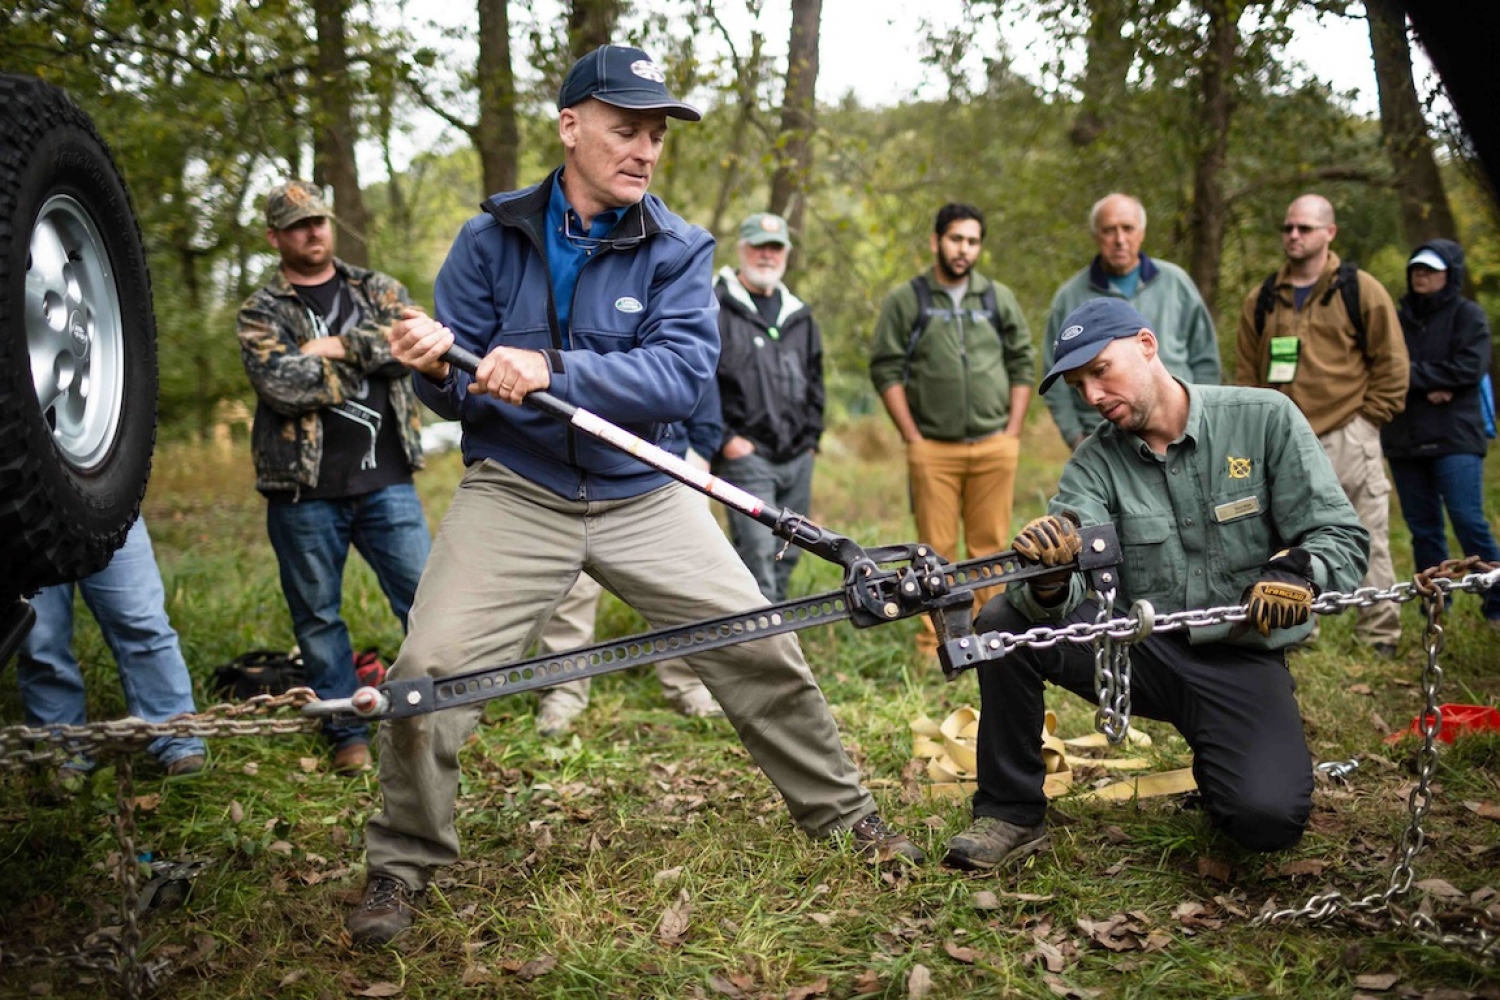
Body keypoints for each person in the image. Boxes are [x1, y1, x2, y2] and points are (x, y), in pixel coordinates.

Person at [347, 43, 921, 948]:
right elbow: (452, 387)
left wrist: (553, 366)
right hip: (518, 490)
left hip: (642, 491)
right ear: (571, 127)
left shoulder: (680, 247)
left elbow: (681, 373)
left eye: (656, 134)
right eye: (627, 129)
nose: (646, 149)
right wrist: (433, 369)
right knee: (426, 676)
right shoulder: (487, 239)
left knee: (760, 646)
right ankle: (401, 866)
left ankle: (851, 822)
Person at [945, 298, 1369, 871]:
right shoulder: (1094, 463)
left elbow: (1340, 535)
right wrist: (1049, 579)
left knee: (1265, 822)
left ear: (1147, 346)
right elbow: (1069, 567)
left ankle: (1223, 765)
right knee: (1004, 623)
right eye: (1078, 384)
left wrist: (1298, 572)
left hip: (1238, 659)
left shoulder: (1264, 418)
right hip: (1132, 650)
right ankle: (1011, 811)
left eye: (1101, 371)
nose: (1092, 395)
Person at [235, 180, 432, 775]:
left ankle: (431, 715)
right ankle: (346, 729)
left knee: (426, 601)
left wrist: (333, 345)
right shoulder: (259, 310)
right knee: (318, 618)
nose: (313, 232)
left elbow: (414, 348)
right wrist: (363, 358)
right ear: (275, 237)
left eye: (319, 221)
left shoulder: (374, 287)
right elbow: (281, 386)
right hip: (303, 493)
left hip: (387, 482)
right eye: (297, 225)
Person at [1234, 193, 1408, 658]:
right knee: (1284, 535)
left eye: (1304, 228)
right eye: (1288, 227)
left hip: (1349, 431)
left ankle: (1379, 633)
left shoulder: (1361, 289)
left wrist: (1368, 421)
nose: (1293, 235)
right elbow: (1247, 376)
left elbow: (1392, 364)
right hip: (1283, 440)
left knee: (1366, 530)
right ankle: (1297, 628)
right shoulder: (1263, 297)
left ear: (1329, 233)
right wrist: (1256, 431)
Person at [869, 203, 1035, 658]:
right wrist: (913, 437)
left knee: (989, 547)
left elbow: (1023, 361)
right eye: (956, 239)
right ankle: (935, 645)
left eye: (973, 241)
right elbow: (886, 369)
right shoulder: (909, 300)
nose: (964, 250)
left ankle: (989, 637)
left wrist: (1013, 432)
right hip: (933, 450)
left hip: (994, 446)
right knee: (933, 552)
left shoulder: (997, 298)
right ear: (936, 241)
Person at [533, 395, 727, 737]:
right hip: (570, 465)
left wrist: (703, 446)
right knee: (572, 591)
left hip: (670, 463)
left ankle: (689, 687)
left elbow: (695, 369)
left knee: (682, 586)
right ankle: (562, 694)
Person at [16, 518, 208, 780]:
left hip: (106, 500)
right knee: (41, 639)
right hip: (23, 507)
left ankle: (175, 736)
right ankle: (60, 750)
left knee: (140, 617)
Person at [1040, 193, 1220, 449]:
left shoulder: (1175, 283)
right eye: (1109, 231)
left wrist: (1203, 418)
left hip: (1180, 431)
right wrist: (1075, 436)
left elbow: (1205, 358)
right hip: (1106, 438)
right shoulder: (1071, 297)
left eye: (1127, 228)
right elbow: (1054, 375)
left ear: (1142, 233)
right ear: (1095, 236)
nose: (1119, 240)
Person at [1382, 240, 1500, 627]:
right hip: (1405, 437)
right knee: (1423, 530)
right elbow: (1386, 368)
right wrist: (1429, 381)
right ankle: (1435, 606)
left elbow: (1469, 367)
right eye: (1417, 268)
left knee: (1468, 519)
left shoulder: (1469, 316)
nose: (1421, 275)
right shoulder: (1395, 318)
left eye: (1431, 269)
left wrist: (1413, 376)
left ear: (1450, 274)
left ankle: (1497, 601)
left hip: (1456, 438)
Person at [710, 211, 824, 604]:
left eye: (775, 248)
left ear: (786, 255)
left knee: (788, 553)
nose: (766, 255)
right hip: (746, 457)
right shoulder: (716, 305)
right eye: (758, 245)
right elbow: (700, 379)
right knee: (757, 555)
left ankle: (777, 637)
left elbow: (816, 381)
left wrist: (811, 442)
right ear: (742, 248)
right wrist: (725, 440)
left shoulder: (800, 315)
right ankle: (760, 651)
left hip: (796, 457)